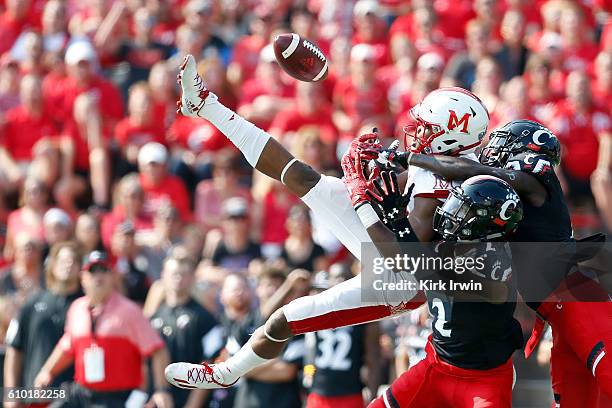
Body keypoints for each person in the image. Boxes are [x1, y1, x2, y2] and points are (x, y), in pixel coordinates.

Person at [164, 55, 484, 389]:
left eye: (428, 129)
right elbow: (410, 182)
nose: (416, 132)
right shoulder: (452, 159)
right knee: (302, 177)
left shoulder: (441, 186)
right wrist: (377, 171)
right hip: (396, 240)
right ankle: (205, 104)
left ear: (453, 137)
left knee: (287, 318)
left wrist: (362, 196)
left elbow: (403, 258)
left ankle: (226, 373)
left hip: (401, 278)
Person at [400, 119, 612, 406]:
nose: (493, 149)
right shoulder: (513, 199)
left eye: (501, 142)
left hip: (579, 305)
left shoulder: (535, 178)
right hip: (560, 312)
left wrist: (411, 157)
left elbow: (474, 170)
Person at [34, 250, 173, 408]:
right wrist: (47, 371)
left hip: (119, 395)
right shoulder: (77, 308)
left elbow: (157, 350)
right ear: (83, 278)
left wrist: (162, 389)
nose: (98, 277)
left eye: (104, 271)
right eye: (92, 272)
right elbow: (67, 346)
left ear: (113, 276)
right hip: (83, 392)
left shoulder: (129, 311)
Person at [3, 241, 83, 408]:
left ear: (80, 267)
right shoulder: (32, 303)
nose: (68, 265)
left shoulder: (88, 306)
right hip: (36, 394)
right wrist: (11, 395)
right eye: (62, 261)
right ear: (52, 265)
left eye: (73, 261)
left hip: (76, 395)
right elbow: (14, 349)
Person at [304, 267, 382, 408]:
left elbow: (373, 360)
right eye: (336, 277)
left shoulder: (366, 317)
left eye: (345, 277)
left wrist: (372, 395)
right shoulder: (319, 310)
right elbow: (310, 352)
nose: (340, 282)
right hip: (319, 393)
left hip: (350, 395)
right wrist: (308, 376)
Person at [150, 253, 219, 408]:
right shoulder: (154, 315)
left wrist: (192, 405)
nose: (178, 279)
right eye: (174, 274)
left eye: (184, 274)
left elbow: (209, 364)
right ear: (163, 276)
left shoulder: (205, 318)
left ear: (193, 278)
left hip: (190, 399)